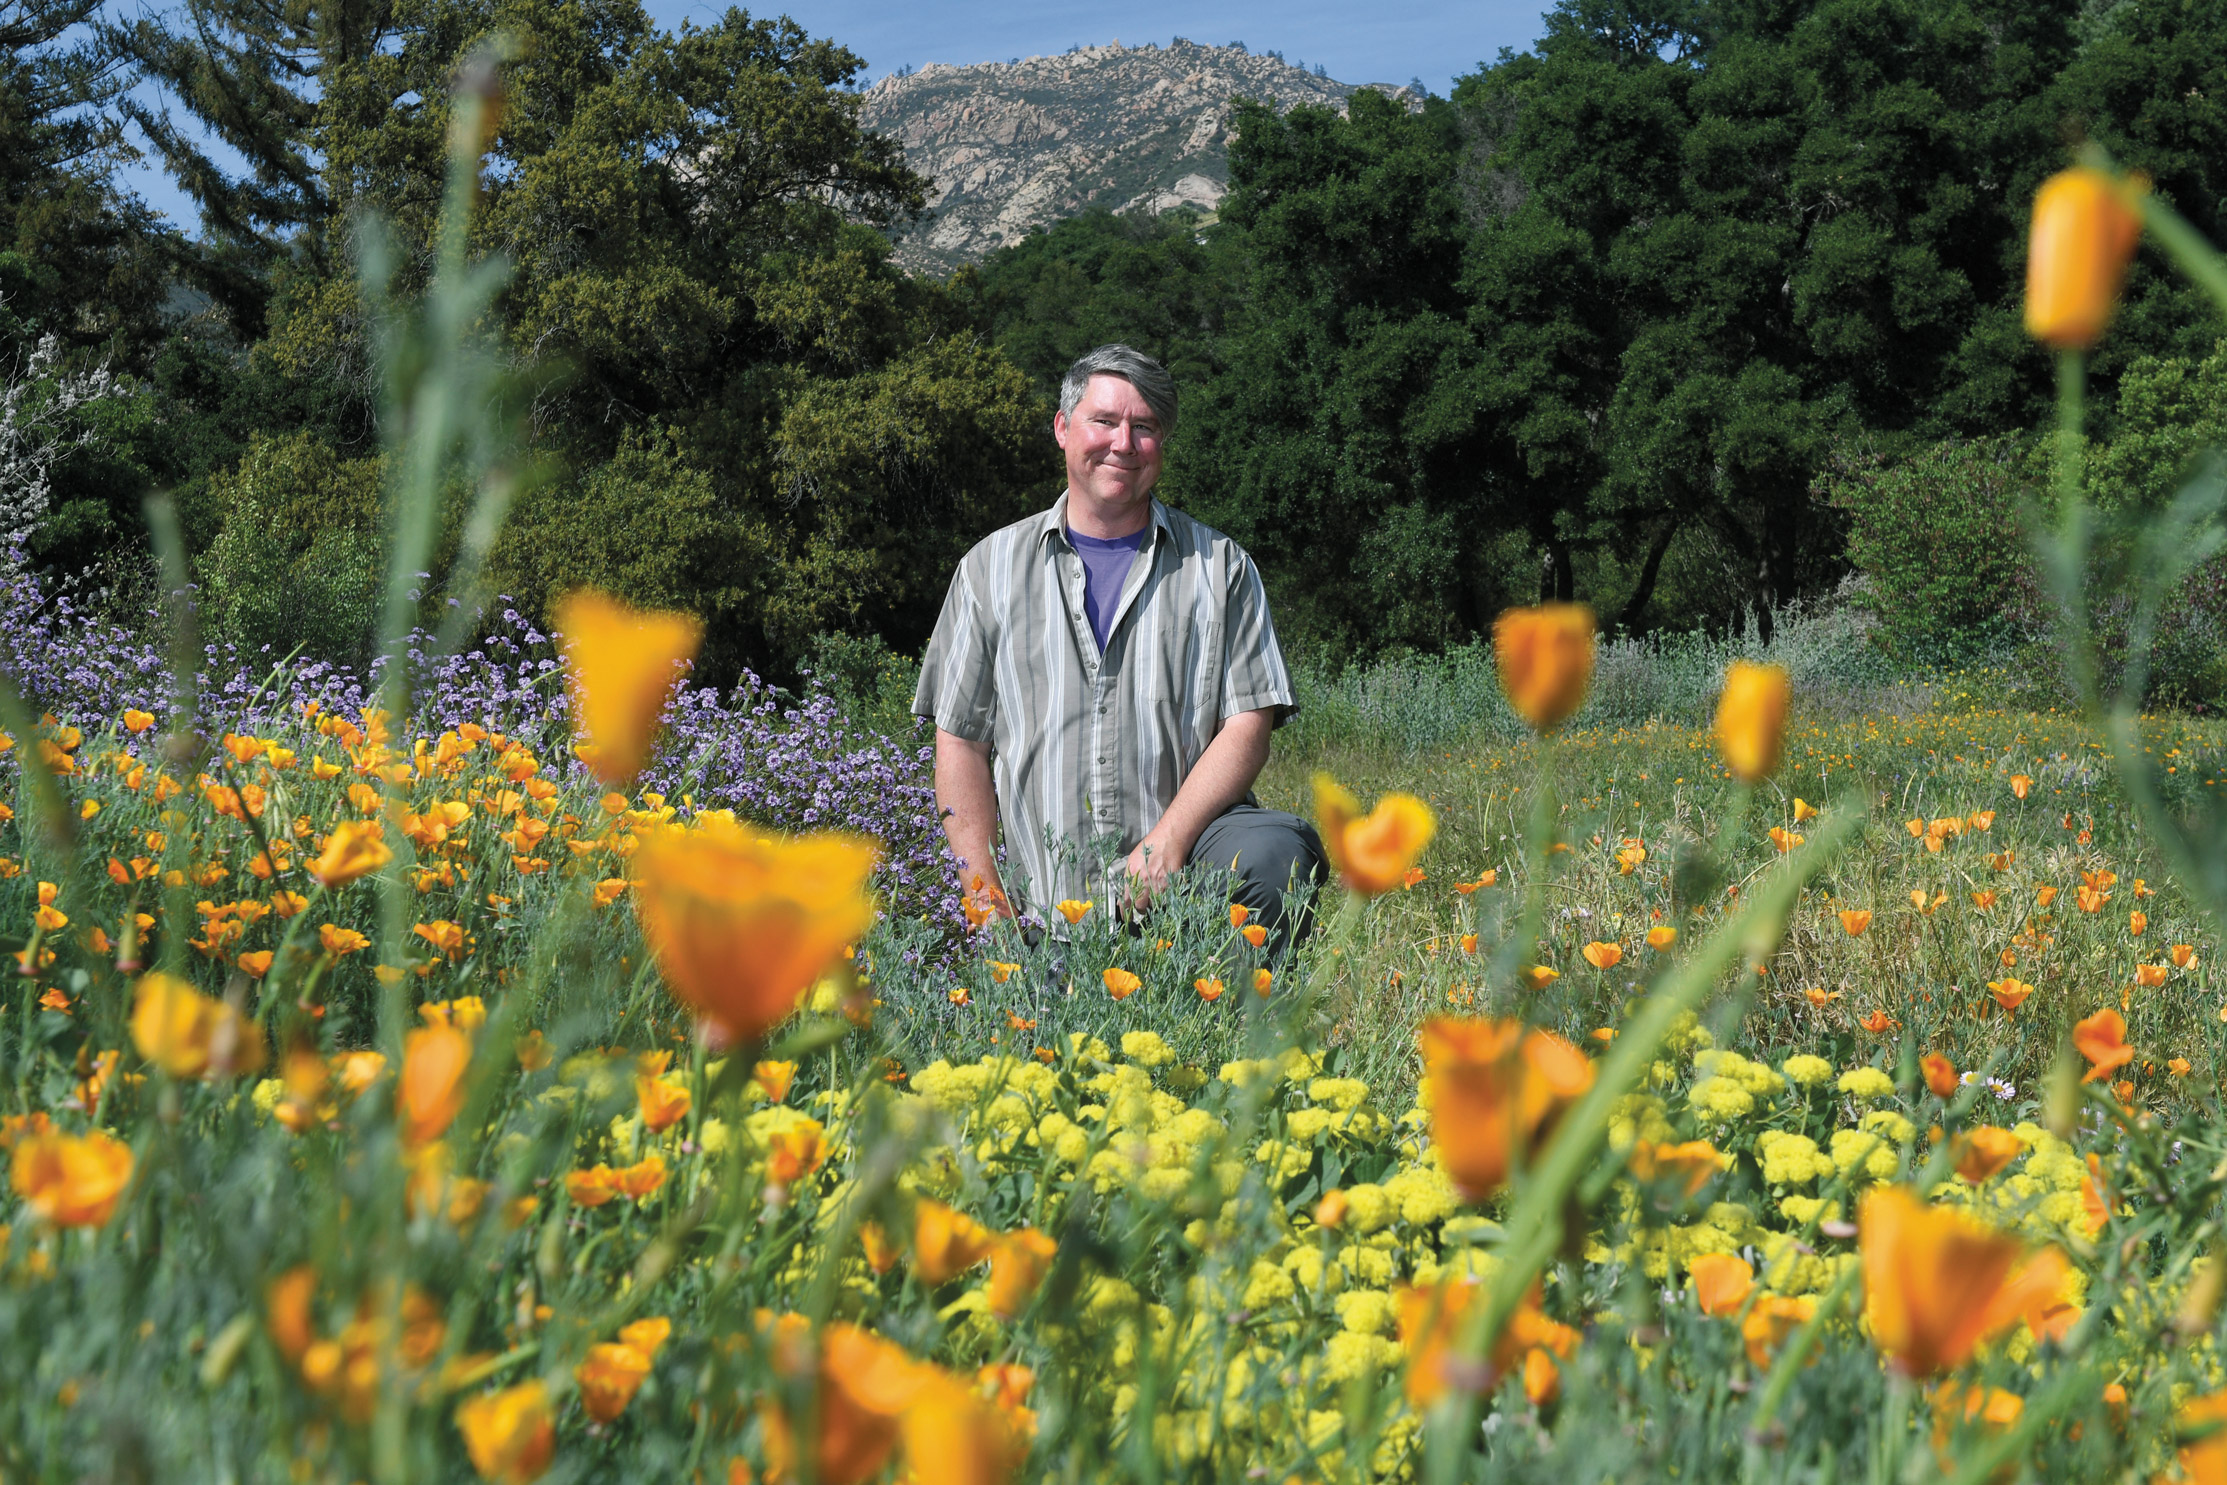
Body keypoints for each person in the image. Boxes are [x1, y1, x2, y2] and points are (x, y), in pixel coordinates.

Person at [913, 343, 1325, 945]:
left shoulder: (1221, 566)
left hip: (1183, 886)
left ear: (1163, 442)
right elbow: (961, 743)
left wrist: (1168, 842)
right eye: (1104, 421)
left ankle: (1231, 1005)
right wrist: (984, 900)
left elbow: (1248, 725)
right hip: (1046, 914)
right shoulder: (988, 570)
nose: (1123, 443)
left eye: (1145, 427)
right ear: (1063, 429)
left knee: (1273, 854)